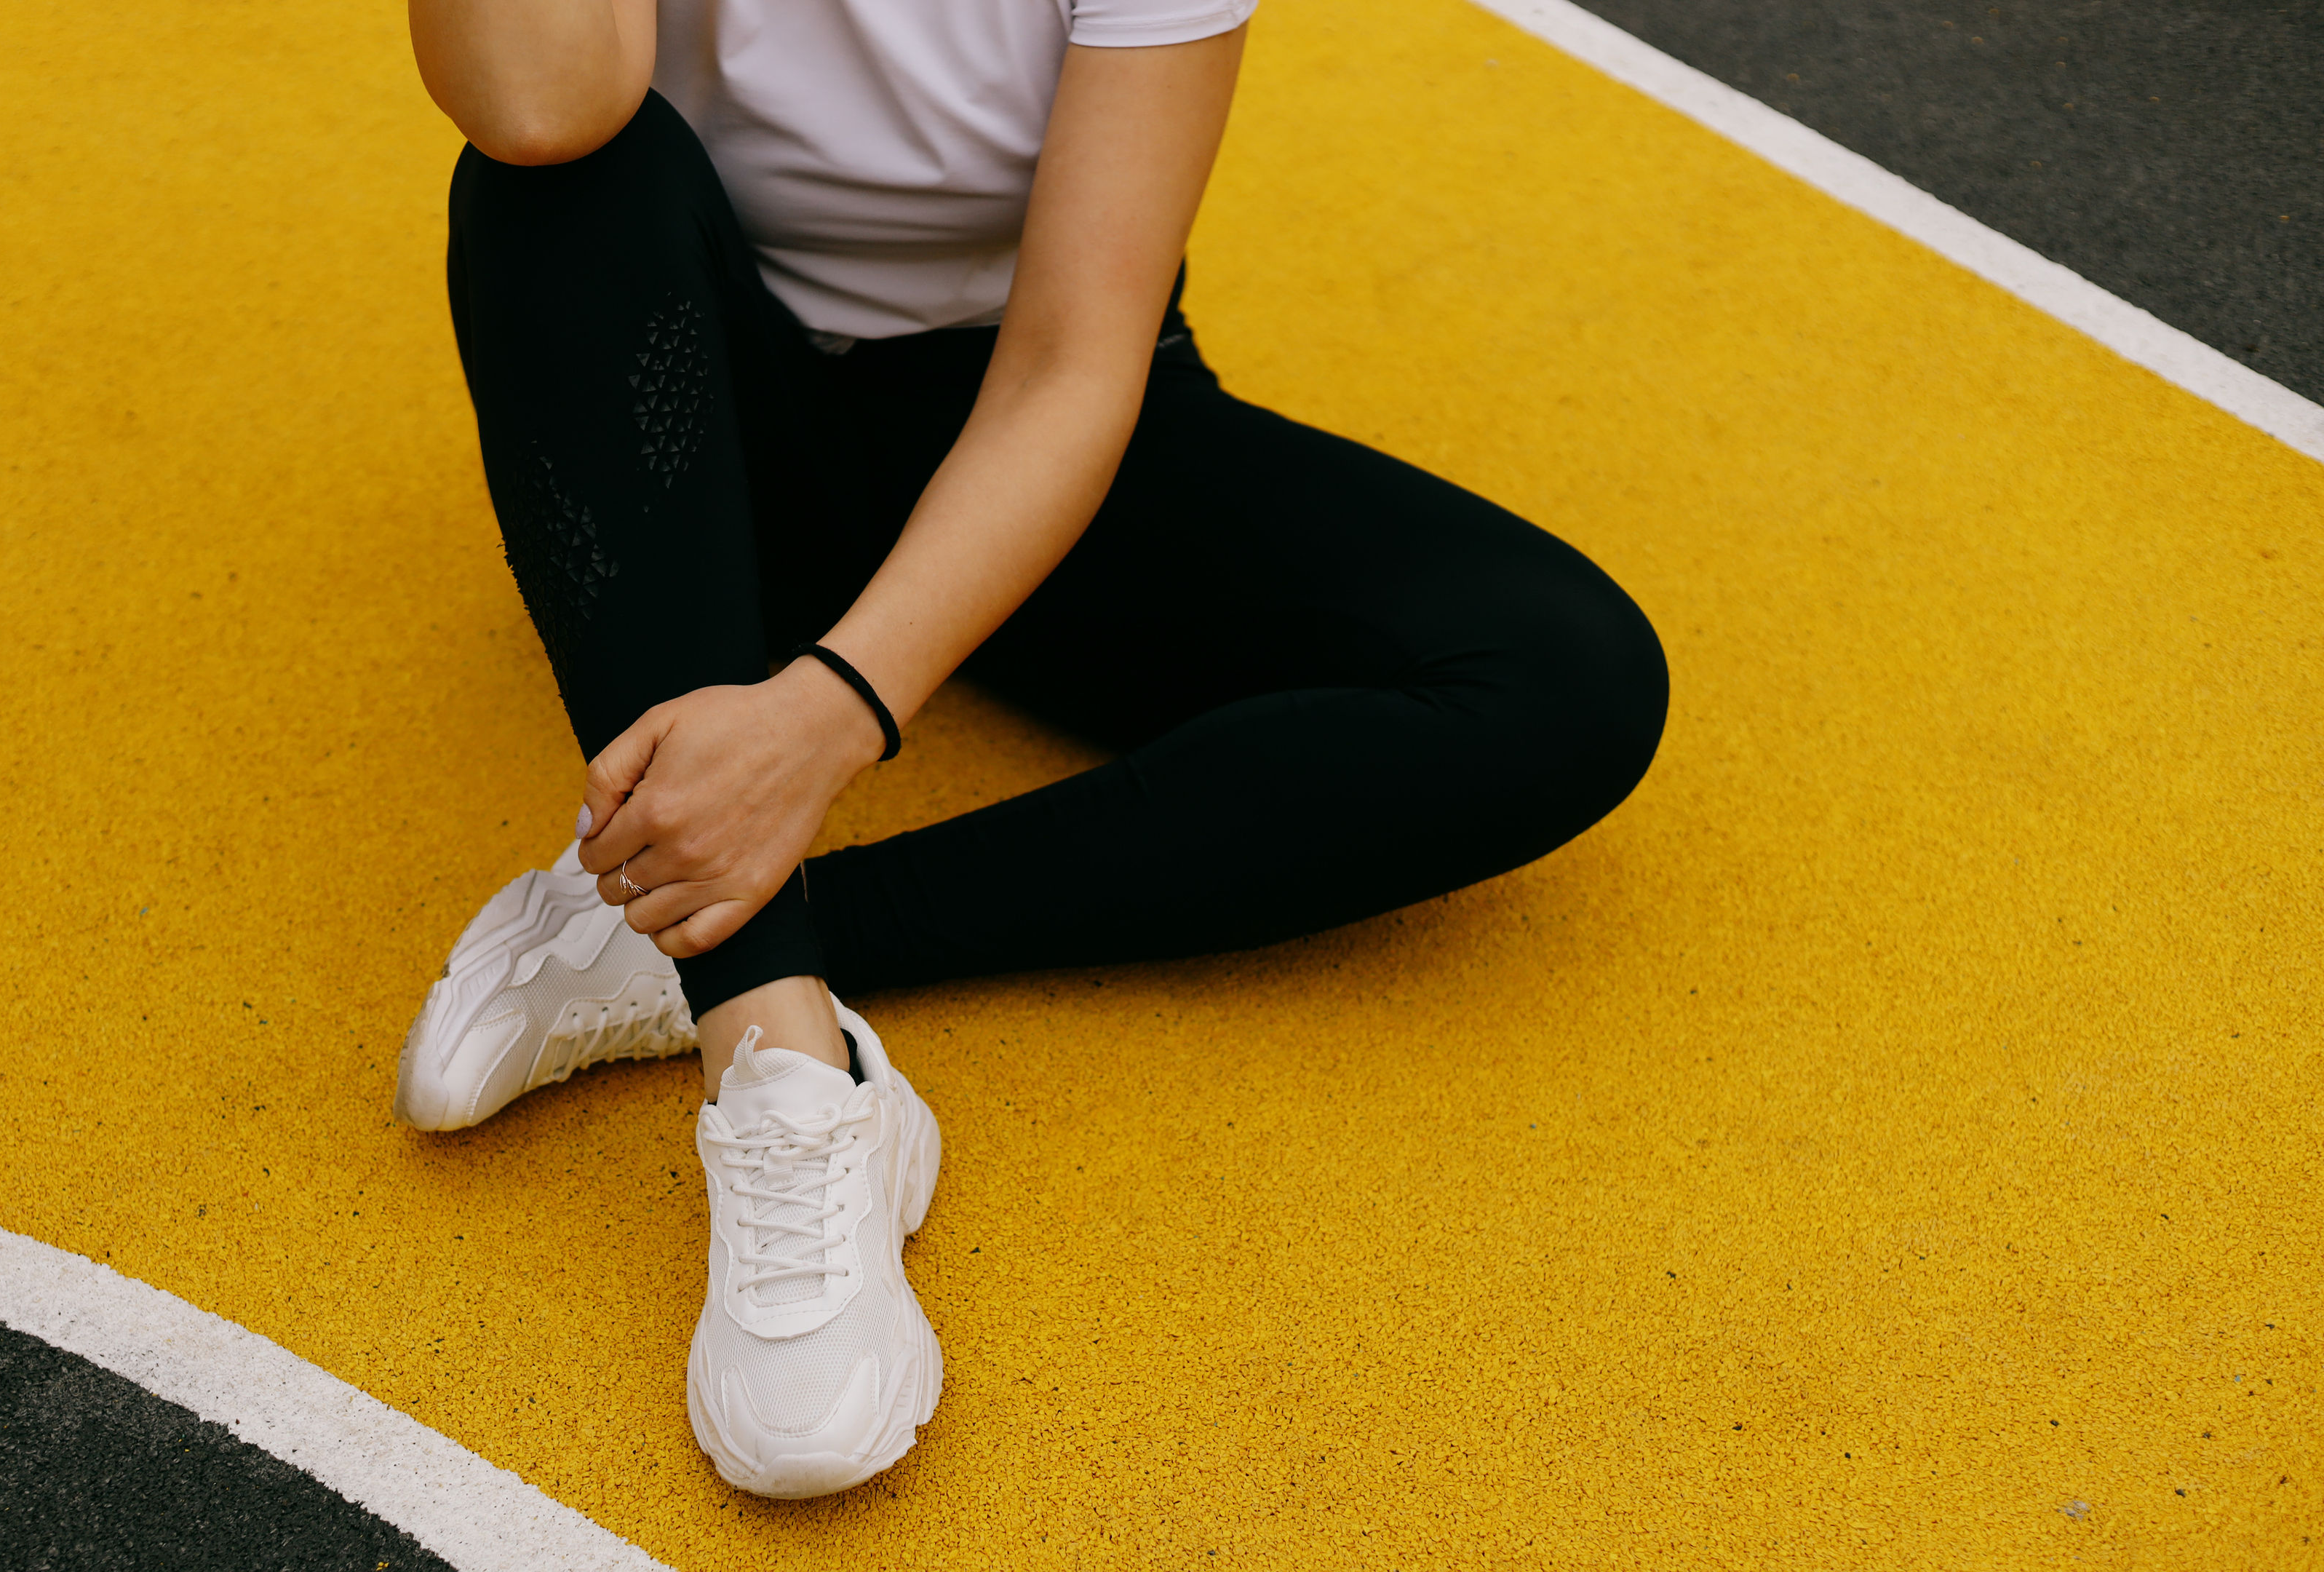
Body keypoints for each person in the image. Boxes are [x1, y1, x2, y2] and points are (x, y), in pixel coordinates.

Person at [394, 0, 1669, 1501]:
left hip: (1020, 437)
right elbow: (540, 106)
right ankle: (772, 1042)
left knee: (1561, 682)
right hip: (712, 441)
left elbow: (1077, 364)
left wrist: (831, 715)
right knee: (542, 189)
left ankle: (692, 927)